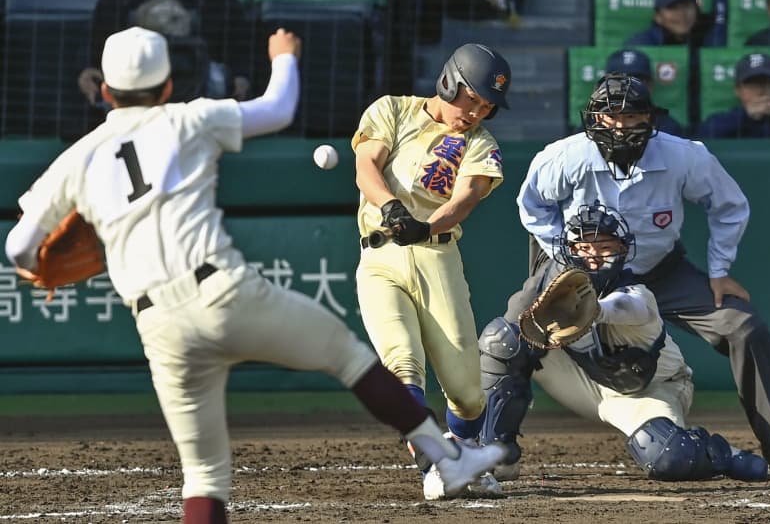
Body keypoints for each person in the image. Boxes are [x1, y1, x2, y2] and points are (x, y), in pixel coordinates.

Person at [4, 26, 506, 523]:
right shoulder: (187, 118)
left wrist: (41, 267)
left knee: (203, 476)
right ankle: (446, 460)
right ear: (166, 87)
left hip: (157, 322)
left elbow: (20, 249)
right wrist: (284, 55)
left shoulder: (76, 158)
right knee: (348, 355)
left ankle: (449, 457)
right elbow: (278, 107)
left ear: (106, 90)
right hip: (221, 290)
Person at [487, 72, 770, 481]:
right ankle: (495, 450)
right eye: (610, 116)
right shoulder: (564, 156)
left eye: (632, 116)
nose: (620, 127)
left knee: (744, 328)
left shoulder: (684, 156)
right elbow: (532, 207)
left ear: (651, 119)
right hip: (581, 270)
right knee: (510, 332)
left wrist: (720, 271)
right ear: (592, 118)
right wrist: (560, 258)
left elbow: (729, 205)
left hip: (660, 269)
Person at [479, 202, 769, 487]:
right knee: (503, 340)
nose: (592, 257)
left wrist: (592, 309)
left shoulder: (637, 296)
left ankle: (722, 454)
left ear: (622, 250)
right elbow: (516, 331)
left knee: (670, 456)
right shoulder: (553, 287)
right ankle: (494, 454)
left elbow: (624, 306)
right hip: (582, 382)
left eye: (604, 247)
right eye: (582, 247)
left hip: (649, 389)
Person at [351, 43, 512, 499]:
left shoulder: (481, 143)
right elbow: (366, 166)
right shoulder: (394, 110)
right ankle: (437, 464)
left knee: (466, 390)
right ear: (448, 81)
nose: (476, 111)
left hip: (436, 255)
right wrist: (391, 207)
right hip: (379, 257)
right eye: (471, 97)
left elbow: (465, 199)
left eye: (486, 105)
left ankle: (464, 451)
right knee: (401, 362)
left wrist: (424, 224)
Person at [78, 0, 253, 110]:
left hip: (199, 104)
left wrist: (241, 77)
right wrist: (88, 69)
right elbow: (96, 47)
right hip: (135, 102)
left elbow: (239, 49)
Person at [697, 52, 770, 138]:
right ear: (738, 90)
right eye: (752, 84)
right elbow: (701, 139)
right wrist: (745, 115)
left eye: (767, 83)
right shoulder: (724, 120)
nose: (760, 90)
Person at [604, 48, 688, 138]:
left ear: (650, 85)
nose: (629, 86)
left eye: (637, 81)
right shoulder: (593, 120)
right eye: (620, 80)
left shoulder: (668, 127)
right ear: (605, 85)